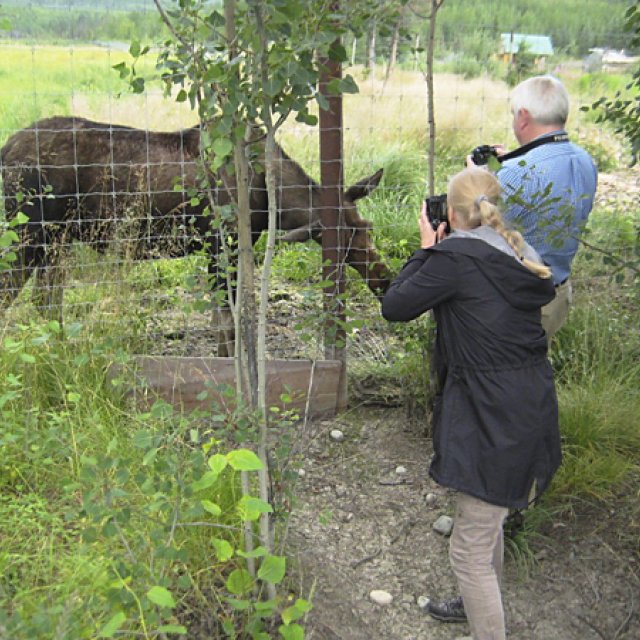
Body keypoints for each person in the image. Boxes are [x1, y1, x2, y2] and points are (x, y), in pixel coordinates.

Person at [382, 167, 561, 640]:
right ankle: (476, 601)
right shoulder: (518, 249)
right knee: (490, 516)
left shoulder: (454, 259)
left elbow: (395, 305)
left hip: (490, 412)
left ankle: (485, 617)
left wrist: (426, 250)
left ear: (453, 215)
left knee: (467, 550)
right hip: (530, 402)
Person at [470, 74, 598, 338]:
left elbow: (473, 228)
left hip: (514, 300)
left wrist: (475, 179)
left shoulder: (514, 174)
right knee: (534, 369)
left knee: (500, 374)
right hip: (556, 293)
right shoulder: (585, 160)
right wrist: (506, 163)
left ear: (524, 116)